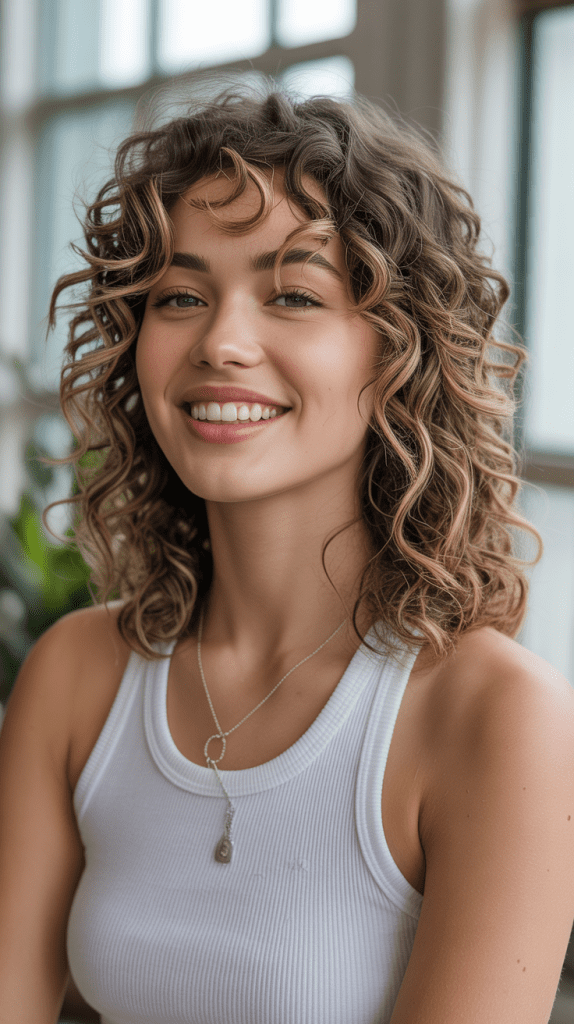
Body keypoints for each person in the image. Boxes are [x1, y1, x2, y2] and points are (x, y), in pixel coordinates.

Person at [0, 81, 573, 1024]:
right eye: (180, 295)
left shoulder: (497, 718)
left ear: (399, 354)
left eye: (295, 295)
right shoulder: (76, 677)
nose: (222, 342)